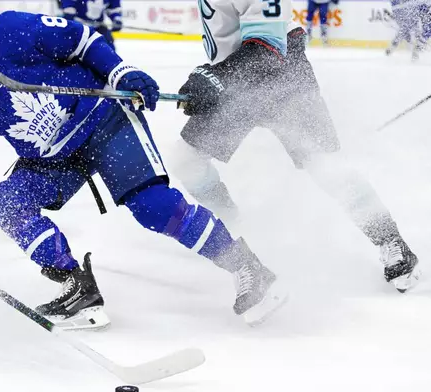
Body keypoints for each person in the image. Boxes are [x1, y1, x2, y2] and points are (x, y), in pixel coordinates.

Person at [0, 1, 287, 330]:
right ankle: (78, 288)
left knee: (155, 208)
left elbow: (81, 40)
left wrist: (120, 73)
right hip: (56, 158)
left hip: (104, 123)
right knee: (7, 201)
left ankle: (248, 266)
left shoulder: (12, 30)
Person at [170, 0, 421, 293]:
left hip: (280, 71)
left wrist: (215, 78)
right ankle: (236, 229)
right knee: (188, 160)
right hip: (234, 76)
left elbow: (267, 49)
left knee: (325, 166)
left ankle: (390, 239)